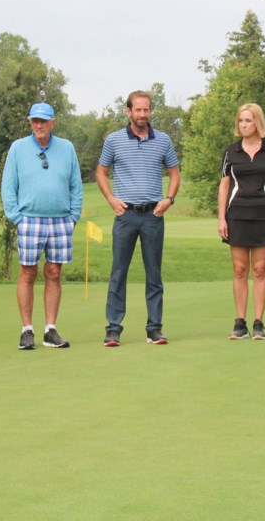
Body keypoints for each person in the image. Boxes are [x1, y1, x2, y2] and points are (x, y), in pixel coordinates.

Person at [96, 90, 180, 346]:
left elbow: (174, 173)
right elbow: (101, 172)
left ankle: (154, 328)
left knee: (154, 273)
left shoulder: (163, 140)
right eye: (138, 110)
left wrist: (169, 199)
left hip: (153, 215)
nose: (143, 115)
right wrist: (111, 199)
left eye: (146, 110)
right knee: (118, 272)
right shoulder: (114, 140)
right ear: (129, 111)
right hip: (126, 215)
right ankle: (113, 328)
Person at [1, 102, 83, 351]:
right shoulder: (18, 148)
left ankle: (50, 330)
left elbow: (75, 186)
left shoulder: (67, 148)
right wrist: (16, 217)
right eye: (35, 121)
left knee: (54, 274)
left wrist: (73, 217)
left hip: (60, 220)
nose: (39, 125)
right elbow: (8, 186)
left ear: (52, 123)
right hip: (29, 219)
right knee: (28, 273)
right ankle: (27, 330)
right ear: (30, 123)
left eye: (43, 121)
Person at [218, 103, 265, 340]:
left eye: (248, 120)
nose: (244, 125)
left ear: (257, 122)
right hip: (236, 214)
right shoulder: (230, 151)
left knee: (259, 270)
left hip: (264, 215)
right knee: (239, 270)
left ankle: (258, 322)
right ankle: (240, 323)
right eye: (241, 121)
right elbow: (224, 185)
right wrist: (221, 218)